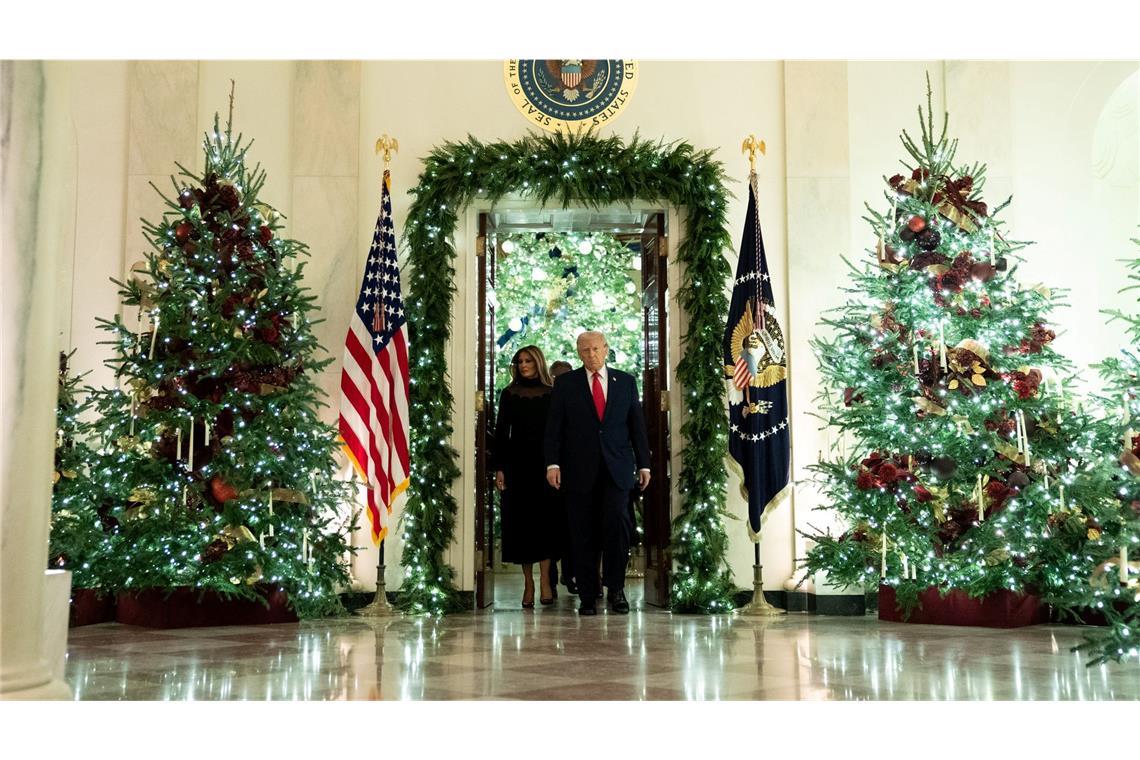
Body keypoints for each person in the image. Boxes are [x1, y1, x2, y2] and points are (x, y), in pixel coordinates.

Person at [545, 331, 651, 615]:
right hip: (578, 470)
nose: (591, 355)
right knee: (582, 533)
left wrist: (644, 464)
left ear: (606, 349)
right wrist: (552, 464)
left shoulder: (626, 382)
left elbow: (636, 426)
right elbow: (554, 428)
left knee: (618, 528)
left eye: (595, 349)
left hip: (616, 469)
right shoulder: (566, 384)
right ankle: (588, 595)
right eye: (585, 350)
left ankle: (616, 589)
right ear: (578, 353)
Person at [493, 346, 558, 608]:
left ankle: (544, 581)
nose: (523, 365)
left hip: (546, 467)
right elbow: (500, 432)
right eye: (519, 361)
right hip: (516, 466)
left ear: (538, 362)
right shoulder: (508, 394)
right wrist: (499, 468)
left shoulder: (553, 394)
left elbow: (559, 431)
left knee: (546, 524)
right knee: (521, 526)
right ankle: (528, 583)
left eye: (528, 360)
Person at [546, 360, 576, 595]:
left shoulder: (576, 397)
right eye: (555, 377)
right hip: (547, 474)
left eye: (564, 376)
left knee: (570, 529)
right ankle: (552, 579)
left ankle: (569, 574)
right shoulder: (545, 397)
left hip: (573, 474)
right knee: (552, 529)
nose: (559, 380)